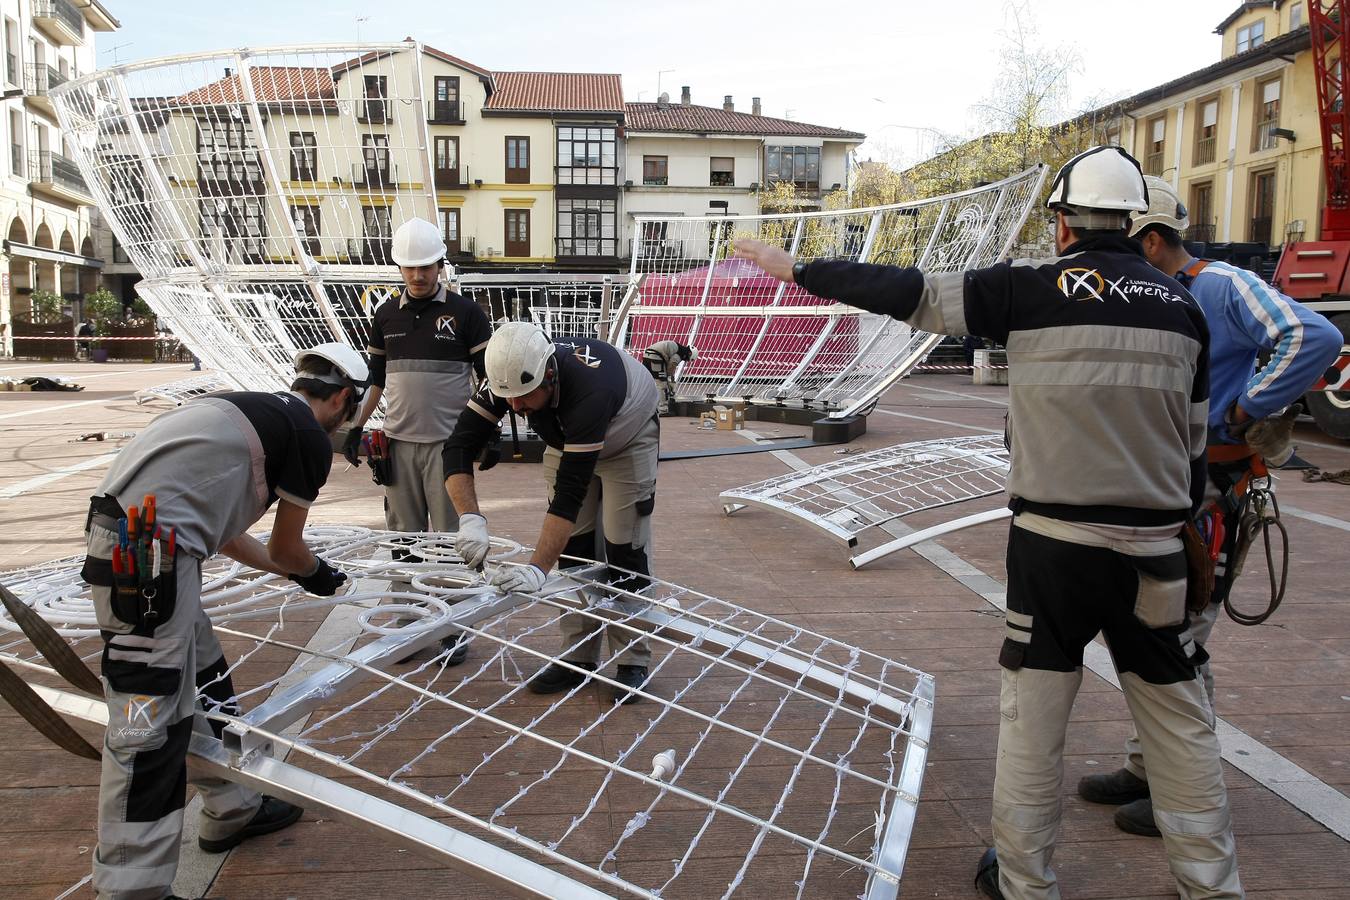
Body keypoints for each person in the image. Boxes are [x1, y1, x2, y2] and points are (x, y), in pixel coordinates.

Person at [735, 146, 1241, 899]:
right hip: (1159, 552)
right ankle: (1212, 885)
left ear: (1063, 224)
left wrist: (799, 268)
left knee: (1033, 722)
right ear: (1136, 224)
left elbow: (905, 292)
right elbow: (1195, 449)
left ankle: (1026, 883)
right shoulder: (1184, 307)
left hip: (1053, 549)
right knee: (1178, 719)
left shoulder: (1028, 289)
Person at [1077, 176, 1342, 837]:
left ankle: (1184, 795)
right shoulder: (1153, 298)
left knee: (1179, 643)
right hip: (1159, 490)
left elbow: (1314, 337)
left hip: (1207, 497)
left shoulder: (1219, 286)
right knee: (1148, 635)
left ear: (1156, 241)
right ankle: (1150, 768)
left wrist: (1246, 407)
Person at [82, 343, 366, 900]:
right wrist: (317, 573)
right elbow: (289, 548)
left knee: (204, 673)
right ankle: (130, 888)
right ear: (342, 399)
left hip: (143, 554)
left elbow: (225, 530)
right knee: (146, 726)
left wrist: (292, 572)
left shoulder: (249, 410)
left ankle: (233, 804)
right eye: (351, 410)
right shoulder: (309, 436)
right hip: (148, 567)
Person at [444, 322, 660, 704]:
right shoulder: (509, 376)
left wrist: (536, 570)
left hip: (627, 440)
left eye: (524, 398)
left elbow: (569, 495)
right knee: (575, 553)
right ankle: (579, 658)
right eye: (506, 398)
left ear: (548, 373)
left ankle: (631, 659)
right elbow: (457, 446)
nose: (514, 407)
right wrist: (470, 518)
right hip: (567, 438)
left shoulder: (592, 390)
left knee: (624, 551)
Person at [342, 217, 492, 665]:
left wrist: (488, 433)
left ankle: (454, 631)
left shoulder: (467, 314)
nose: (419, 275)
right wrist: (355, 427)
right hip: (398, 446)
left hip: (450, 449)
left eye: (426, 266)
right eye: (410, 268)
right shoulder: (386, 314)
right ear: (399, 269)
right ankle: (408, 630)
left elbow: (488, 380)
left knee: (450, 543)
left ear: (440, 264)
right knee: (403, 542)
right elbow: (376, 378)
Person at [642, 339, 697, 414]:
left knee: (648, 382)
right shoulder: (680, 353)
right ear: (690, 354)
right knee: (662, 384)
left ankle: (644, 406)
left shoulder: (678, 348)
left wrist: (670, 377)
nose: (685, 360)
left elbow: (670, 367)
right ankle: (663, 410)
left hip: (647, 355)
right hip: (656, 357)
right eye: (688, 359)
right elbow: (672, 366)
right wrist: (668, 380)